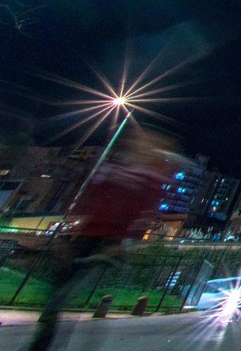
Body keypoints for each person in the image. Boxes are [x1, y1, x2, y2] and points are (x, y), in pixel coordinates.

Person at [26, 130, 177, 351]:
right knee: (55, 293)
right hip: (84, 236)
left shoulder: (150, 178)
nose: (139, 147)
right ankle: (43, 338)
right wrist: (67, 233)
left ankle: (42, 345)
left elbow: (145, 213)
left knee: (63, 295)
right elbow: (88, 199)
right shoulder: (114, 168)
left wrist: (122, 243)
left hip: (109, 243)